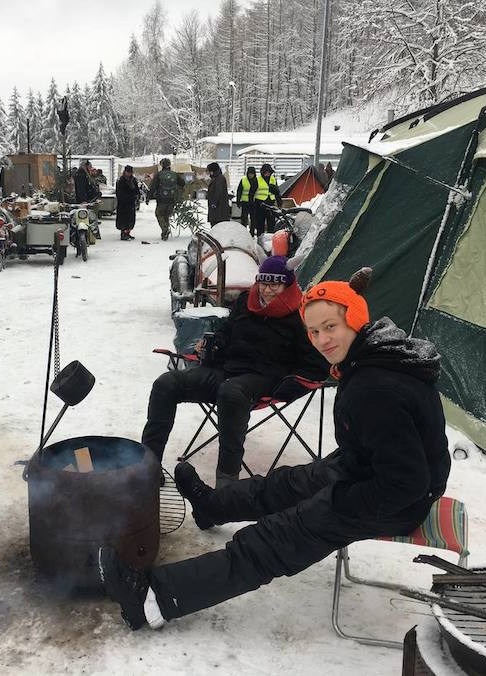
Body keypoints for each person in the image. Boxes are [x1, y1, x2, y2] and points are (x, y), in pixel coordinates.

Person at [101, 267, 451, 631]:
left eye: (331, 327)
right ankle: (211, 506)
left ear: (356, 319)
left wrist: (338, 500)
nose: (322, 340)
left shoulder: (376, 388)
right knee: (284, 485)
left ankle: (153, 599)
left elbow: (405, 483)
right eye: (314, 331)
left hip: (393, 500)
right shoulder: (374, 357)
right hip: (367, 470)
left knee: (279, 536)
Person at [141, 256, 328, 487]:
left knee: (231, 393)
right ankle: (148, 465)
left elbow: (315, 362)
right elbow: (226, 332)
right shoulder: (245, 302)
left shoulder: (300, 314)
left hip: (265, 378)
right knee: (166, 383)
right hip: (227, 370)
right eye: (263, 283)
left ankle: (226, 487)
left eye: (275, 285)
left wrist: (291, 385)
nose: (267, 290)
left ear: (287, 284)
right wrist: (214, 344)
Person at [147, 158, 184, 241]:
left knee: (159, 214)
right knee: (166, 216)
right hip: (172, 199)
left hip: (161, 199)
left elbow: (153, 187)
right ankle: (165, 234)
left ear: (162, 165)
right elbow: (182, 183)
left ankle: (165, 230)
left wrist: (148, 197)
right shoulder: (174, 174)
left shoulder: (159, 175)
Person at [251, 163, 281, 238]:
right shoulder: (257, 180)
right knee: (260, 224)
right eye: (266, 172)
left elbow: (277, 192)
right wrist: (251, 204)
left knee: (271, 224)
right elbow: (251, 193)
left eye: (269, 172)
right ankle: (260, 239)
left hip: (271, 204)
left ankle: (270, 239)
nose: (267, 174)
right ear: (262, 172)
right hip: (260, 205)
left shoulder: (273, 179)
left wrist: (279, 202)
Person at [115, 165, 139, 241]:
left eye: (130, 172)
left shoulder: (133, 180)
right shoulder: (121, 180)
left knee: (130, 219)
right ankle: (123, 233)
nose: (129, 174)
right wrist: (126, 198)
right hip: (123, 203)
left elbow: (136, 189)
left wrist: (136, 196)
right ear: (125, 172)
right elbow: (119, 192)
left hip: (131, 203)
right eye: (128, 172)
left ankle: (128, 233)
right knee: (123, 219)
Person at [235, 166, 258, 235]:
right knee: (244, 218)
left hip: (253, 203)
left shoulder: (257, 181)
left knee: (253, 219)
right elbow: (239, 191)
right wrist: (238, 201)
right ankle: (244, 233)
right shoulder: (243, 180)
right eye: (249, 173)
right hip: (245, 202)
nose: (250, 175)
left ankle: (252, 233)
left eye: (252, 174)